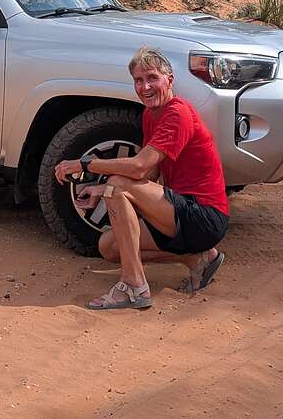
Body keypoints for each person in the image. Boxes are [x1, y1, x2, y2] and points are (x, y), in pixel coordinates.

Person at [53, 46, 229, 310]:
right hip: (180, 210)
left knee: (118, 186)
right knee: (109, 247)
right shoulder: (151, 115)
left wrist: (85, 164)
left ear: (169, 80)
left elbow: (137, 168)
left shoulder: (177, 113)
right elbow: (150, 172)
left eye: (152, 78)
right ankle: (198, 258)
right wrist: (99, 191)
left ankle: (134, 286)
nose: (145, 86)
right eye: (138, 80)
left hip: (204, 215)